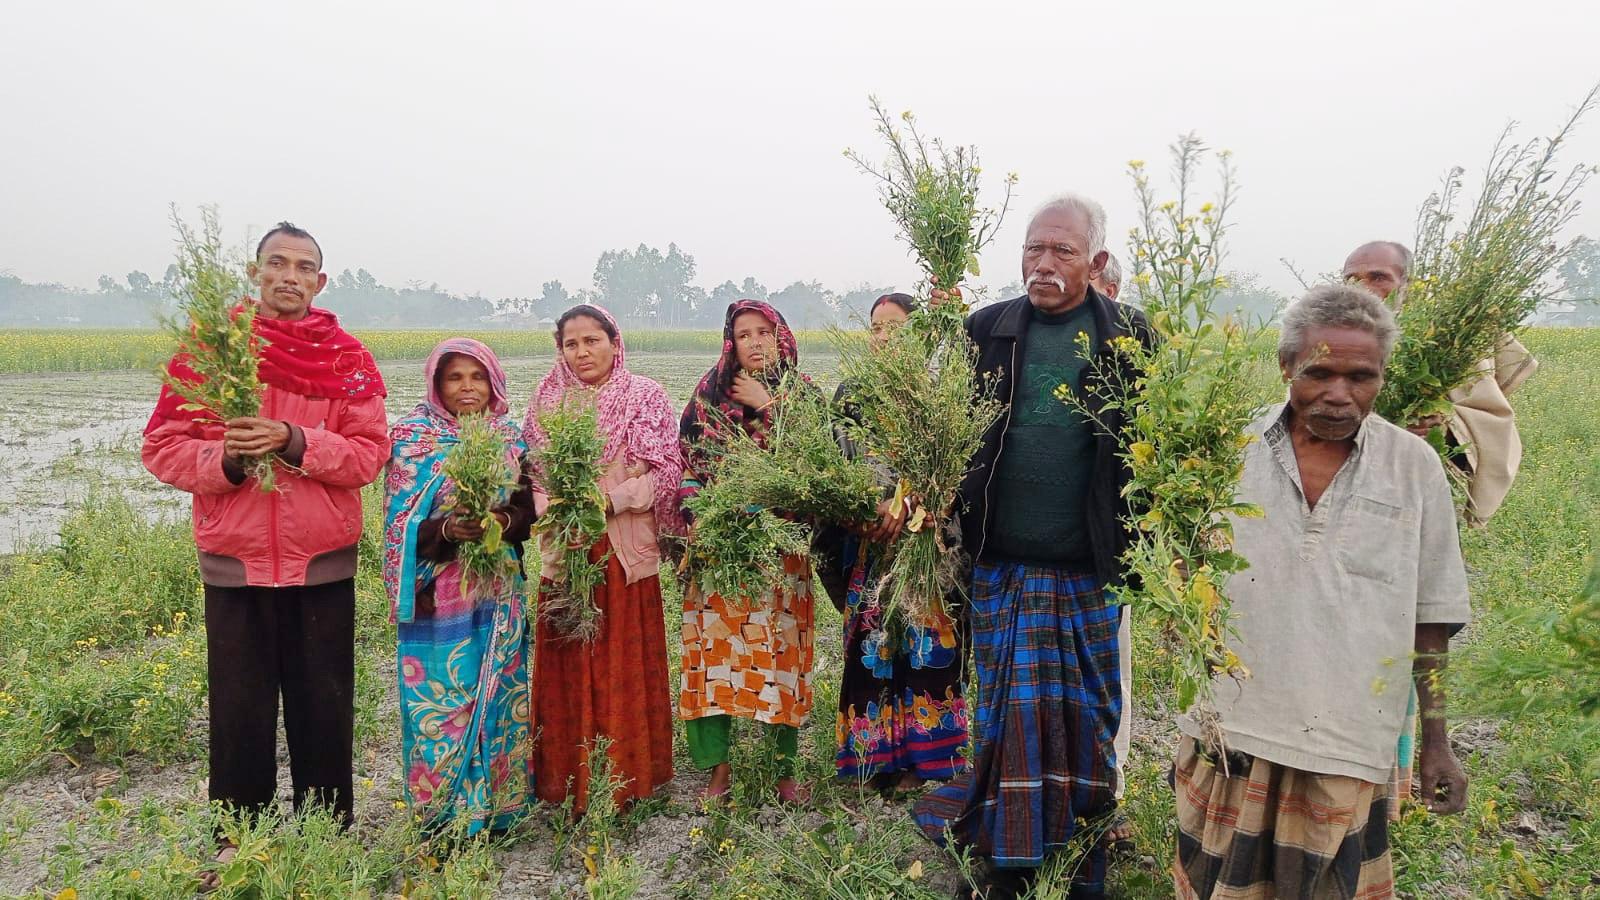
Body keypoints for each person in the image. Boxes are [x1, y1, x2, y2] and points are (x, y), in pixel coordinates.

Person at [1171, 284, 1470, 899]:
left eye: (1361, 377)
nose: (1339, 394)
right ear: (1286, 367)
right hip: (1231, 733)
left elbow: (1431, 617)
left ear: (1382, 377)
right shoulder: (1226, 453)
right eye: (1319, 372)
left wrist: (1437, 743)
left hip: (1346, 742)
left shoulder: (1415, 467)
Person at [915, 195, 1151, 900]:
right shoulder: (987, 330)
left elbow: (1146, 450)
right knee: (1006, 718)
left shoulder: (1127, 336)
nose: (1044, 264)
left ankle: (1081, 850)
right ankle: (1008, 857)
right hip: (1001, 563)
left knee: (1087, 718)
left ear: (1096, 262)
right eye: (1033, 249)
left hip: (1087, 569)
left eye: (1063, 251)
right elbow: (943, 430)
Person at [142, 222, 389, 883]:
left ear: (321, 281)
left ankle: (326, 838)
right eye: (276, 263)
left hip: (321, 567)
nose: (289, 275)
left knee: (325, 709)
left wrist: (294, 438)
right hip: (235, 566)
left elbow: (370, 454)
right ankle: (237, 843)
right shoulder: (213, 352)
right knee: (239, 713)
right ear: (255, 274)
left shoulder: (348, 359)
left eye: (303, 266)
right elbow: (161, 446)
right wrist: (224, 457)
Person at [1342, 239, 1535, 817]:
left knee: (1401, 652)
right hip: (1340, 538)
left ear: (1409, 285)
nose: (1363, 288)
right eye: (1351, 276)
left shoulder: (1440, 353)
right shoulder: (1330, 342)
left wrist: (1433, 433)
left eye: (1378, 276)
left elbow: (1482, 430)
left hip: (1404, 537)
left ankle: (1384, 793)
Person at [524, 304, 683, 814]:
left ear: (615, 342)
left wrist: (610, 501)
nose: (582, 352)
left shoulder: (646, 397)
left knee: (623, 664)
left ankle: (630, 779)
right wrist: (562, 517)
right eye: (571, 343)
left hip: (622, 555)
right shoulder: (548, 402)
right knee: (569, 664)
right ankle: (565, 782)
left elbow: (667, 475)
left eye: (592, 340)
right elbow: (534, 479)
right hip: (568, 554)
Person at [382, 338, 536, 836]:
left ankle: (499, 812)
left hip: (498, 590)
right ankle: (445, 818)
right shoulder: (412, 439)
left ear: (493, 383)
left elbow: (527, 514)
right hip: (438, 597)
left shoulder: (511, 438)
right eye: (455, 377)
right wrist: (449, 530)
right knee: (443, 701)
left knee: (499, 692)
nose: (467, 387)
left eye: (477, 376)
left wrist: (498, 521)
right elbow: (398, 524)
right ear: (436, 384)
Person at [825, 293, 969, 796]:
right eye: (877, 329)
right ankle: (873, 759)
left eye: (897, 330)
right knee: (872, 648)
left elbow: (954, 468)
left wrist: (918, 506)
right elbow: (836, 466)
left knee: (926, 649)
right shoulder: (851, 394)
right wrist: (865, 512)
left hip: (926, 545)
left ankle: (925, 762)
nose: (884, 339)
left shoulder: (938, 394)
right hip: (872, 546)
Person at [677, 299, 816, 804]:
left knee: (781, 657)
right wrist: (701, 518)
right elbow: (690, 470)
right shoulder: (707, 398)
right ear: (729, 342)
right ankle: (718, 771)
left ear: (782, 337)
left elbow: (818, 466)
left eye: (765, 332)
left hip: (782, 554)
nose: (756, 342)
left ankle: (784, 772)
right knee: (713, 659)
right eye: (744, 333)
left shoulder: (803, 398)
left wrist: (768, 404)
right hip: (721, 552)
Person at [1089, 253, 1135, 851]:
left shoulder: (1132, 351)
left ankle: (1109, 795)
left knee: (1110, 678)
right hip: (1038, 559)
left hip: (1109, 558)